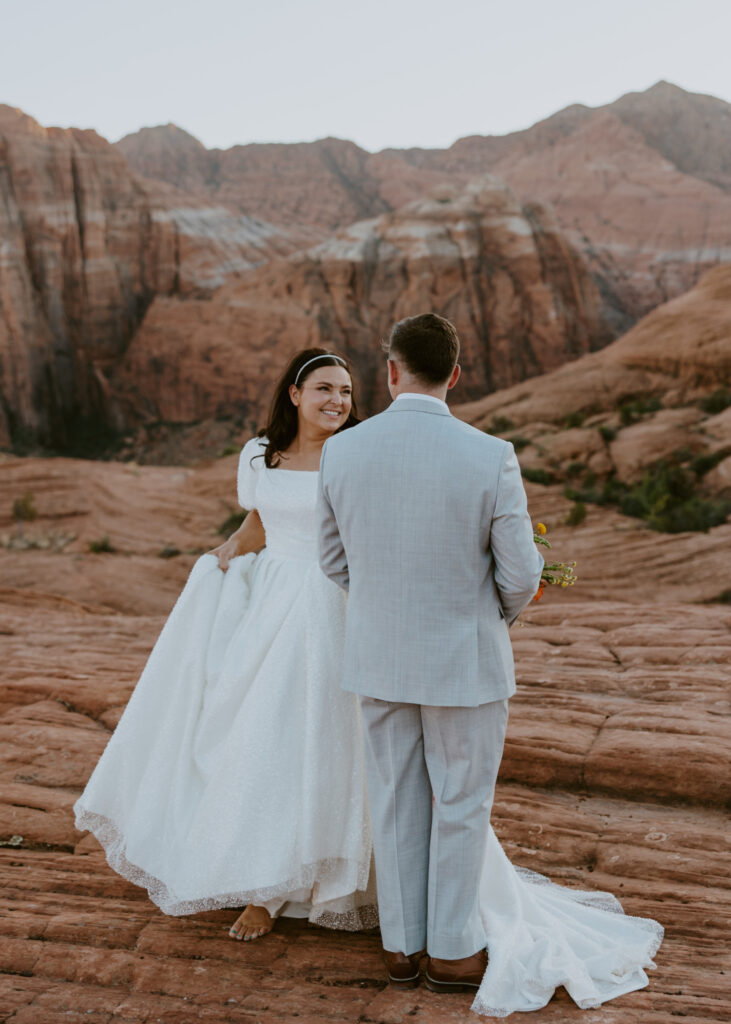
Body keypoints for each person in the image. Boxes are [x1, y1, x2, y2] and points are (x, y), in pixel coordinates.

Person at [317, 313, 663, 1012]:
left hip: (379, 656)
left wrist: (388, 607)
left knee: (393, 797)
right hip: (464, 659)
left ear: (389, 371)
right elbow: (517, 573)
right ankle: (449, 953)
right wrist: (486, 619)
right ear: (456, 372)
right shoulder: (489, 453)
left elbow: (330, 559)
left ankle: (399, 949)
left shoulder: (343, 452)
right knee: (461, 803)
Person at [74, 348, 377, 942]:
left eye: (345, 391)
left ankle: (330, 878)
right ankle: (261, 889)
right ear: (294, 393)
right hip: (272, 608)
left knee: (332, 740)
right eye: (324, 389)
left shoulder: (359, 453)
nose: (337, 401)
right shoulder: (260, 454)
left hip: (337, 606)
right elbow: (259, 525)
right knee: (260, 737)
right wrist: (224, 555)